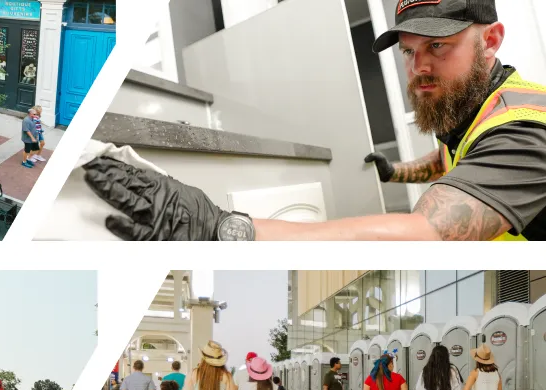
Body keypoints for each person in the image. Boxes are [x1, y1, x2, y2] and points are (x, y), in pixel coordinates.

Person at [79, 0, 544, 241]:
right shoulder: (473, 110)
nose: (419, 67)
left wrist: (221, 227)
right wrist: (394, 171)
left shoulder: (526, 128)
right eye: (409, 51)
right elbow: (448, 161)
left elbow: (427, 234)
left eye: (438, 47)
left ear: (492, 40)